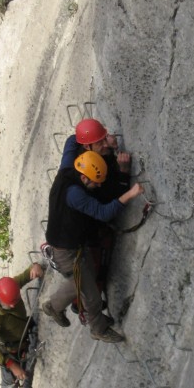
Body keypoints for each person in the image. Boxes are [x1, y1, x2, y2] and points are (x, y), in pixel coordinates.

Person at [42, 150, 144, 343]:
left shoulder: (66, 170)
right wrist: (130, 194)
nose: (98, 185)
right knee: (91, 294)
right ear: (83, 177)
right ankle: (98, 329)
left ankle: (54, 306)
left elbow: (71, 143)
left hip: (71, 246)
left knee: (82, 281)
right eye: (95, 181)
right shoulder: (75, 195)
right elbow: (103, 213)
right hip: (67, 252)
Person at [59, 118, 132, 319]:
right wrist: (124, 172)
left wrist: (99, 140)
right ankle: (81, 306)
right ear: (87, 146)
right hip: (88, 230)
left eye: (103, 139)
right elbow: (111, 201)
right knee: (95, 268)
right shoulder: (92, 177)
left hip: (76, 224)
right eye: (99, 142)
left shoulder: (79, 157)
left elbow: (71, 141)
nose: (103, 144)